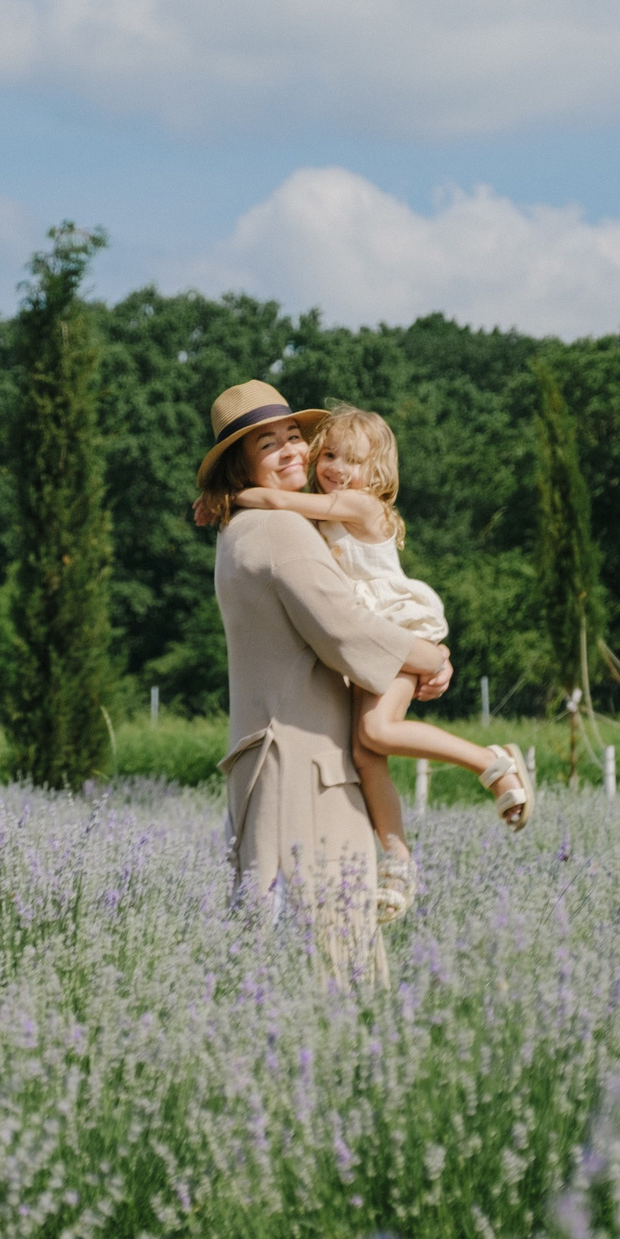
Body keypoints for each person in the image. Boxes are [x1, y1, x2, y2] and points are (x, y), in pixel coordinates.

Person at [221, 403, 531, 921]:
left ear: (379, 473)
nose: (337, 468)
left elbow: (273, 498)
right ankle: (397, 858)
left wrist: (231, 497)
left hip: (399, 627)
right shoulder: (321, 511)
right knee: (367, 751)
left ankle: (491, 761)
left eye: (354, 461)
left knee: (378, 733)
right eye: (331, 454)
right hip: (378, 639)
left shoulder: (362, 509)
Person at [193, 380, 449, 982]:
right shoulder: (280, 532)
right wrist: (429, 657)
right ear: (244, 464)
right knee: (333, 958)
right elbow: (349, 633)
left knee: (274, 952)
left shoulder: (241, 530)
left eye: (293, 438)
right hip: (306, 772)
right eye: (267, 444)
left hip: (272, 765)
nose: (291, 452)